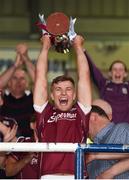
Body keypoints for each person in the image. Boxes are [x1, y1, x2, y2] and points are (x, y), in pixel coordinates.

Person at [33, 34, 92, 179]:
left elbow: (84, 76)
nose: (63, 93)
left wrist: (78, 47)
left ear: (74, 95)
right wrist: (45, 47)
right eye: (58, 89)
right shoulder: (44, 111)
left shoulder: (81, 111)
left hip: (77, 175)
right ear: (52, 95)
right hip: (48, 176)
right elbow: (40, 76)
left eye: (68, 89)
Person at [87, 99, 129, 179]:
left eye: (83, 120)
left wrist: (110, 172)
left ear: (92, 117)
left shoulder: (121, 130)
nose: (80, 126)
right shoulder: (91, 149)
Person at [0, 43, 36, 137]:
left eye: (22, 78)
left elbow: (39, 81)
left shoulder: (33, 99)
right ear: (9, 82)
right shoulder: (2, 99)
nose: (19, 81)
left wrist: (25, 58)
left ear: (27, 83)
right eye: (15, 78)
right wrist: (15, 65)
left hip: (28, 148)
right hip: (5, 148)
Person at [85, 51, 129, 123]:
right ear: (110, 73)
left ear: (125, 74)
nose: (117, 72)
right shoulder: (104, 84)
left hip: (125, 129)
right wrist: (83, 51)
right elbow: (93, 69)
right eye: (115, 69)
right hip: (108, 127)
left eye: (121, 69)